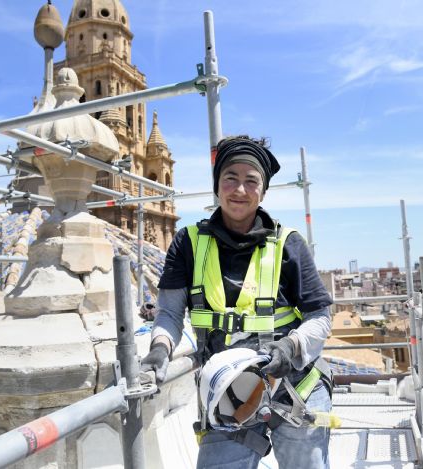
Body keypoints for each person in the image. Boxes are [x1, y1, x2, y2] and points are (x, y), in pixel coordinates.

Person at [141, 135, 333, 468]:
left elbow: (320, 316)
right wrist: (160, 348)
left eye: (251, 181)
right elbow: (170, 313)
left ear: (263, 190)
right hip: (229, 395)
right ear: (217, 185)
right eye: (231, 178)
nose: (240, 190)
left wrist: (290, 347)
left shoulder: (288, 245)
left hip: (295, 387)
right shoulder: (187, 243)